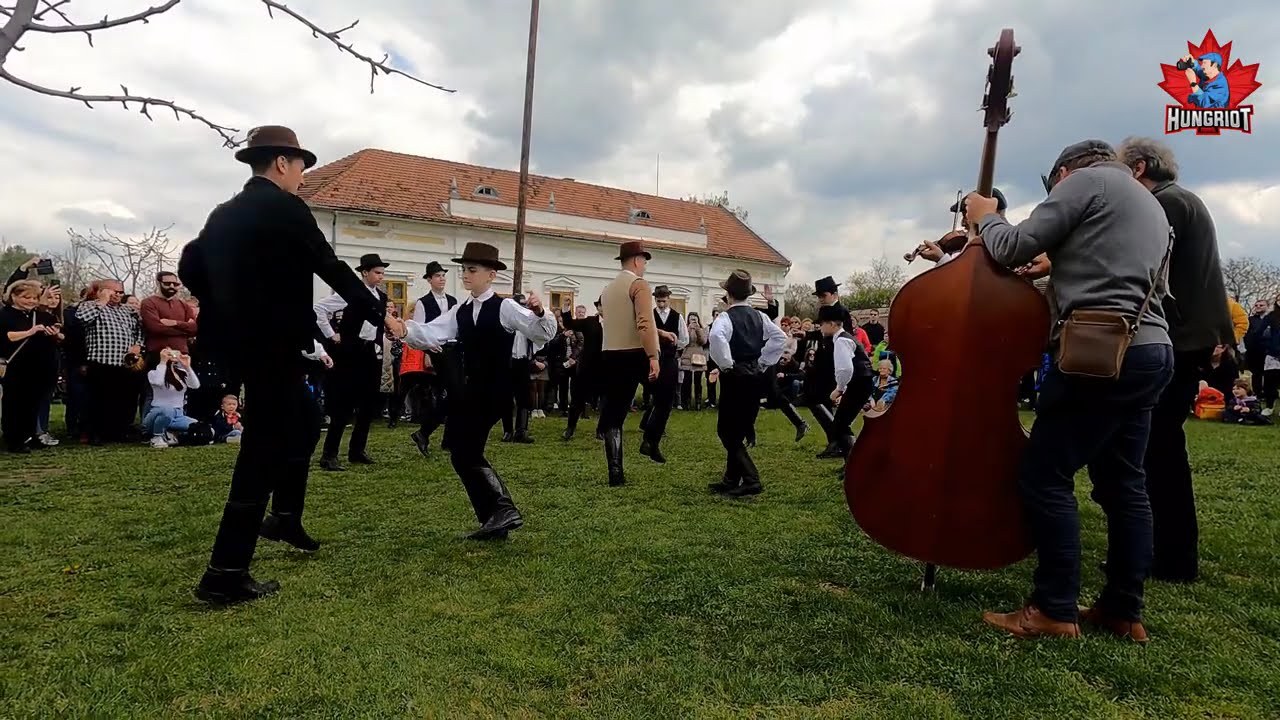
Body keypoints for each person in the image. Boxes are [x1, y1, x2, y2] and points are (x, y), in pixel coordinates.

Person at [969, 139, 1175, 641]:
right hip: (1149, 349)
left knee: (1045, 475)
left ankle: (1054, 609)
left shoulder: (1086, 181)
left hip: (1096, 354)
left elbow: (1012, 245)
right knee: (1124, 485)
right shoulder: (1148, 201)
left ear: (1062, 174)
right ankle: (1123, 610)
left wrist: (987, 215)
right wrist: (1057, 267)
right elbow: (1122, 274)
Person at [179, 125, 383, 605]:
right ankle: (225, 571)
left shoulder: (224, 214)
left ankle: (286, 516)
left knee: (306, 418)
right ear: (282, 164)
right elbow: (331, 266)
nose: (303, 177)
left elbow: (190, 266)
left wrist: (225, 302)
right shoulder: (286, 209)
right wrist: (381, 313)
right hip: (272, 345)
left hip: (244, 346)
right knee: (262, 449)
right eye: (301, 167)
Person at [1116, 136, 1234, 583]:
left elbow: (1136, 262)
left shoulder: (1163, 205)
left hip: (1179, 339)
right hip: (1192, 339)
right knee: (1159, 447)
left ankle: (1170, 557)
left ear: (1140, 168)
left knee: (1157, 449)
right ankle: (1167, 552)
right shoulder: (1184, 201)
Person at [401, 242, 557, 539]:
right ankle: (495, 519)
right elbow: (432, 331)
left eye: (472, 270)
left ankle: (503, 509)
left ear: (491, 275)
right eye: (464, 270)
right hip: (473, 389)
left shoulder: (505, 307)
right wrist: (405, 329)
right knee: (460, 453)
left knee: (465, 451)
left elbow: (540, 333)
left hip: (497, 390)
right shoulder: (461, 311)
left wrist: (539, 311)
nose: (465, 275)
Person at [706, 270, 788, 497]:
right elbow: (780, 338)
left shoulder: (724, 318)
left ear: (728, 294)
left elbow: (716, 338)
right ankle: (731, 478)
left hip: (736, 375)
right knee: (740, 427)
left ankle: (751, 479)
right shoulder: (760, 317)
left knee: (727, 431)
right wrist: (763, 362)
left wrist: (726, 365)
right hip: (755, 374)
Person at [314, 253, 392, 471]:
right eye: (377, 273)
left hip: (371, 352)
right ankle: (329, 455)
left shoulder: (382, 298)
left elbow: (379, 322)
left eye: (382, 273)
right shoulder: (350, 292)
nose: (380, 277)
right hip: (350, 352)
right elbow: (319, 309)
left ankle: (357, 450)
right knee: (343, 405)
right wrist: (331, 334)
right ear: (365, 273)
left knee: (368, 404)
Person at [598, 241, 660, 487]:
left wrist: (661, 333)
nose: (644, 265)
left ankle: (615, 471)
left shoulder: (607, 289)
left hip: (610, 354)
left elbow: (620, 321)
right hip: (635, 353)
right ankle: (651, 438)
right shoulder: (639, 285)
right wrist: (653, 356)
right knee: (665, 392)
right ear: (636, 260)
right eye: (644, 260)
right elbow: (644, 322)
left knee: (614, 415)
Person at [1, 280, 63, 453]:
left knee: (32, 403)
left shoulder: (38, 315)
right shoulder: (5, 314)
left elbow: (57, 329)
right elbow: (7, 337)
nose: (30, 301)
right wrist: (30, 332)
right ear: (13, 296)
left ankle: (29, 435)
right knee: (14, 404)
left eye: (34, 298)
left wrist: (56, 334)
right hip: (16, 366)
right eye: (25, 297)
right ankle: (14, 439)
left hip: (38, 367)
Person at [408, 260, 458, 456]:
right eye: (437, 276)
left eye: (443, 275)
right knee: (452, 393)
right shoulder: (423, 302)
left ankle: (442, 437)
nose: (442, 279)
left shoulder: (453, 301)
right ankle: (425, 432)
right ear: (429, 279)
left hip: (453, 349)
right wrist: (427, 352)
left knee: (455, 395)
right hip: (436, 350)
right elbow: (419, 330)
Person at [817, 304, 874, 466]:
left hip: (859, 384)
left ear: (832, 324)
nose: (820, 327)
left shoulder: (842, 340)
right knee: (841, 424)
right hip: (861, 383)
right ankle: (852, 465)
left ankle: (855, 465)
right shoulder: (846, 337)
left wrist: (839, 389)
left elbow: (845, 369)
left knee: (840, 425)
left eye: (822, 324)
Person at [804, 276, 854, 459]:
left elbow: (846, 338)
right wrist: (806, 334)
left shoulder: (842, 312)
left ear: (834, 294)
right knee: (813, 398)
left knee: (833, 404)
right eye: (818, 296)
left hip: (836, 365)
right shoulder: (824, 311)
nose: (820, 299)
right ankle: (834, 440)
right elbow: (821, 332)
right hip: (822, 364)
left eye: (822, 295)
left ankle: (843, 442)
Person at [639, 284, 687, 463]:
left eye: (663, 300)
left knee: (665, 401)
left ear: (669, 299)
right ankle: (650, 439)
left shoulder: (677, 316)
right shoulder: (650, 315)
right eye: (658, 300)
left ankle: (650, 438)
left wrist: (673, 346)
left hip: (669, 360)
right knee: (659, 400)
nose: (661, 303)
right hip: (652, 359)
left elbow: (684, 339)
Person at [561, 299, 604, 441]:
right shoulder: (590, 321)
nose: (604, 308)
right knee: (577, 401)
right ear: (598, 307)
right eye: (601, 305)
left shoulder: (616, 323)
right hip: (586, 367)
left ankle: (601, 430)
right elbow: (570, 324)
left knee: (605, 401)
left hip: (605, 368)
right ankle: (570, 428)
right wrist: (566, 308)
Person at [141, 348, 201, 448]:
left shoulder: (181, 373)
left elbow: (195, 385)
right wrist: (163, 362)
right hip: (157, 414)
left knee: (195, 425)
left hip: (178, 415)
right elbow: (158, 382)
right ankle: (157, 436)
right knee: (166, 410)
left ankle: (170, 432)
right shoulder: (153, 373)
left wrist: (187, 367)